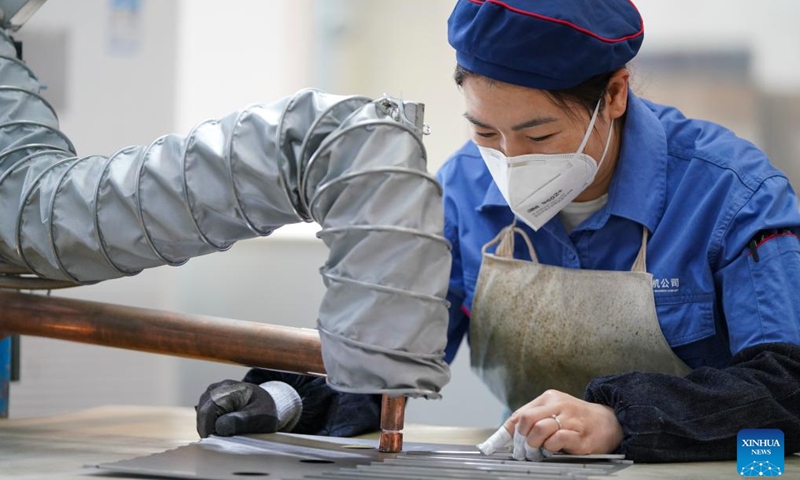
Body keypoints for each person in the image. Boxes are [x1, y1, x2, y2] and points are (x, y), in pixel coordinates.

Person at [196, 0, 800, 462]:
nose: (510, 161)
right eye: (486, 134)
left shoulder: (731, 195)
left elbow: (788, 388)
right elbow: (392, 356)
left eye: (537, 137)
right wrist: (285, 400)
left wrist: (619, 418)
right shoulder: (462, 191)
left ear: (614, 95)